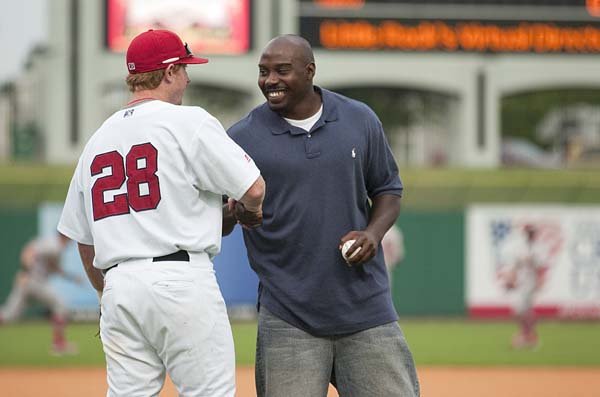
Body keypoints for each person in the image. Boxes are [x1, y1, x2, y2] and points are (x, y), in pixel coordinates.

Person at [57, 29, 265, 397]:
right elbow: (254, 187)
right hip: (180, 278)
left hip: (119, 286)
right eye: (184, 68)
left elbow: (84, 242)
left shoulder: (97, 140)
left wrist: (107, 293)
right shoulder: (188, 122)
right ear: (168, 72)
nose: (187, 76)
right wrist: (249, 212)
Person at [228, 34, 420, 397]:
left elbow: (388, 189)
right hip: (288, 314)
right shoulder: (242, 137)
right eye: (263, 71)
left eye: (282, 70)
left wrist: (373, 235)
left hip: (365, 308)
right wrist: (236, 214)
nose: (270, 80)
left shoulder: (358, 119)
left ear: (310, 71)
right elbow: (220, 217)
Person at [0, 233, 79, 355]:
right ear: (65, 236)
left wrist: (71, 278)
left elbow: (54, 267)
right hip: (34, 281)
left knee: (9, 315)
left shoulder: (53, 245)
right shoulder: (54, 245)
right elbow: (29, 251)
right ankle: (59, 345)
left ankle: (59, 345)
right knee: (61, 305)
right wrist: (25, 271)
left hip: (29, 282)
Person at [500, 224, 548, 349]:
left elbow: (541, 267)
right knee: (519, 311)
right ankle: (528, 334)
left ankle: (527, 336)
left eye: (532, 232)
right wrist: (510, 280)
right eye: (528, 232)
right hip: (520, 282)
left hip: (530, 282)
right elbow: (514, 265)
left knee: (526, 310)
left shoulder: (539, 248)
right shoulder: (520, 247)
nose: (530, 235)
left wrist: (540, 282)